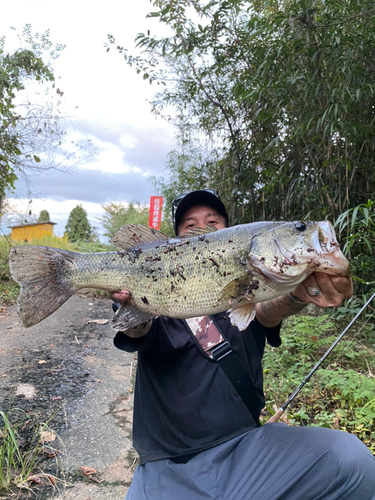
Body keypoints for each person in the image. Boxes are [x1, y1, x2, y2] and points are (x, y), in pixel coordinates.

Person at [111, 189, 375, 500]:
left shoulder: (251, 295)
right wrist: (135, 305)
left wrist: (300, 292)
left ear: (231, 233)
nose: (202, 227)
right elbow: (137, 332)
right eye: (190, 225)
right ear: (176, 240)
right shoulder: (160, 298)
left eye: (213, 221)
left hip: (249, 456)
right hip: (167, 469)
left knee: (352, 461)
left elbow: (270, 310)